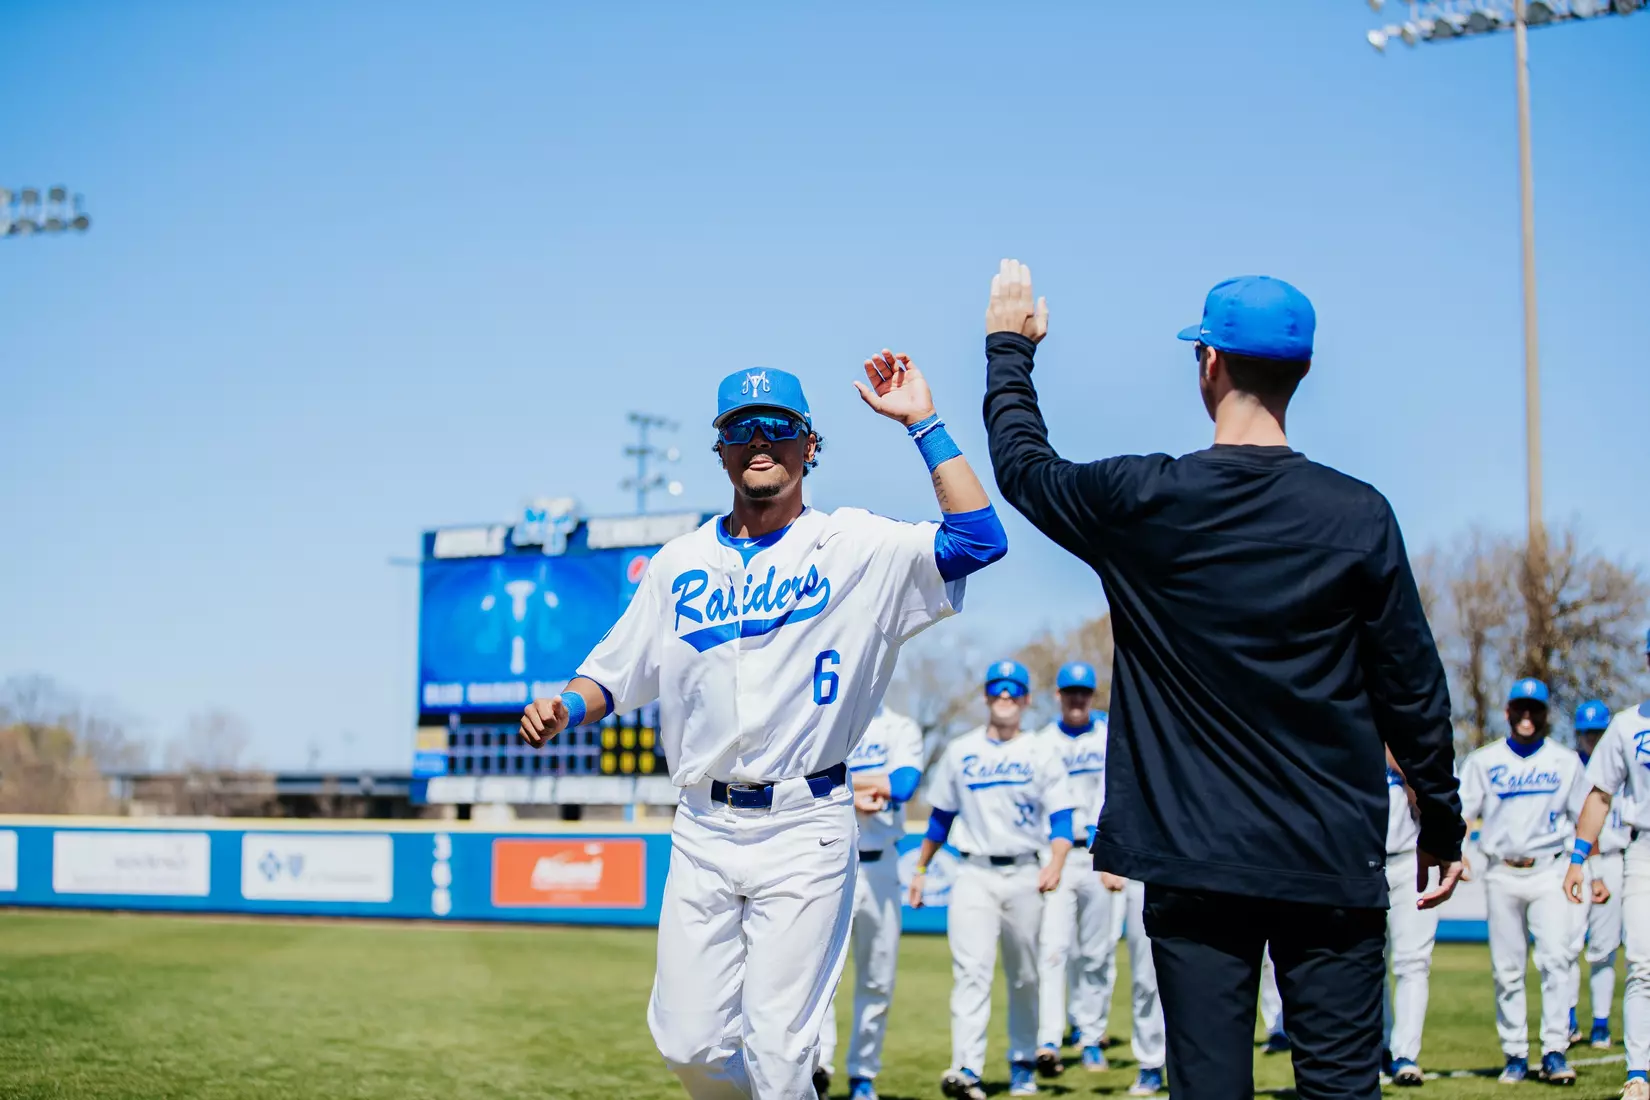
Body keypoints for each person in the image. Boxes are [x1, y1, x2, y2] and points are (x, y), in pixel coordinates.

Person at [980, 260, 1466, 1100]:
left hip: (1194, 860)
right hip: (1329, 855)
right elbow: (1412, 688)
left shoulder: (1147, 500)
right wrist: (1441, 819)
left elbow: (1025, 468)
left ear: (1207, 363)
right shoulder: (1357, 514)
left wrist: (1006, 350)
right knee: (1341, 1090)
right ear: (1303, 371)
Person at [519, 352, 1007, 1099]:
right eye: (741, 428)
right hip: (702, 827)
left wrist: (924, 423)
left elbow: (979, 539)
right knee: (687, 1044)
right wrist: (567, 704)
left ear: (809, 445)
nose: (760, 441)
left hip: (804, 826)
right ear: (720, 450)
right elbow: (612, 674)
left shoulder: (856, 547)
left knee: (781, 1054)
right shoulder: (680, 562)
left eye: (778, 427)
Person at [910, 661, 1076, 1100]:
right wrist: (921, 870)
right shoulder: (962, 750)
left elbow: (1062, 821)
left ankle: (1023, 1062)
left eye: (1013, 692)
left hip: (1026, 871)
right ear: (987, 698)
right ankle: (966, 1067)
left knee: (1024, 975)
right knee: (971, 972)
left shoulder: (1041, 751)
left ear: (1025, 700)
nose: (1005, 698)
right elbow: (940, 819)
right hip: (974, 873)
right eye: (998, 691)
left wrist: (1057, 862)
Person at [1458, 678, 1587, 1085]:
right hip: (1500, 870)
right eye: (1521, 708)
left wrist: (1583, 865)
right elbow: (1463, 812)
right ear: (1509, 712)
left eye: (1535, 709)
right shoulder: (1483, 760)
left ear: (1545, 715)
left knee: (1555, 959)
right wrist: (1458, 851)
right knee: (1507, 969)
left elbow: (1586, 814)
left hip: (1548, 867)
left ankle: (1554, 1050)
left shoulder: (1564, 761)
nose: (1527, 716)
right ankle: (1514, 1052)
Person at [817, 705, 927, 1100]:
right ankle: (818, 1067)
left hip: (881, 865)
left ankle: (863, 1074)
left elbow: (904, 784)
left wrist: (843, 783)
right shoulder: (827, 716)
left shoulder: (900, 726)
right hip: (828, 861)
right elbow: (803, 780)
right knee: (818, 975)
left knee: (877, 976)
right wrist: (858, 790)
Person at [1563, 629, 1650, 1100]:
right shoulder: (1627, 725)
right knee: (1642, 965)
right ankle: (1639, 1074)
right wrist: (1579, 858)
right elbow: (1599, 796)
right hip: (1644, 854)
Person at [1034, 660, 1115, 1077]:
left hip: (1101, 856)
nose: (1077, 700)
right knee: (1053, 949)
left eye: (1084, 693)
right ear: (1059, 696)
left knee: (1096, 953)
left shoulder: (1106, 734)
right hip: (1058, 856)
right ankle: (1048, 1039)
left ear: (1092, 696)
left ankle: (1090, 1036)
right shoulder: (1043, 741)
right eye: (1070, 693)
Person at [1567, 698, 1625, 1052]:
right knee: (1568, 944)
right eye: (1587, 733)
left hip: (1615, 859)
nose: (1592, 739)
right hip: (1575, 860)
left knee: (1605, 947)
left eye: (1598, 733)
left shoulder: (1620, 766)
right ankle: (1569, 1020)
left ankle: (1601, 1023)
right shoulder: (1568, 766)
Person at [1381, 752, 1439, 1087]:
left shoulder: (1409, 739)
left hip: (1410, 859)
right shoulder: (1346, 727)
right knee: (1369, 962)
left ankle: (1406, 1054)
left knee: (1413, 962)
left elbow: (1432, 793)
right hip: (1362, 863)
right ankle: (1380, 1046)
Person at [1096, 868, 1168, 1096]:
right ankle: (1150, 1063)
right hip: (1144, 877)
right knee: (1146, 980)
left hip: (1196, 878)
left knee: (1202, 982)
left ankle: (1196, 1062)